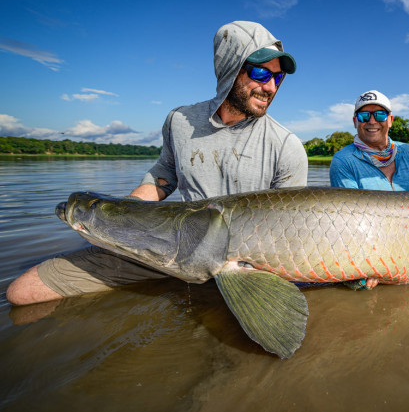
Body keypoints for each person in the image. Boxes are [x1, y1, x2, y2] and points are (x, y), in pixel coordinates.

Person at [7, 21, 308, 305]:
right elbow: (163, 177)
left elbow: (290, 233)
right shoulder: (180, 122)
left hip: (244, 265)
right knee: (22, 292)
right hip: (168, 247)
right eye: (260, 74)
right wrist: (122, 217)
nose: (270, 87)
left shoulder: (286, 146)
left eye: (277, 77)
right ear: (230, 69)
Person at [330, 90, 409, 192]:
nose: (372, 121)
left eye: (380, 115)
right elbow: (350, 207)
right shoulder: (343, 161)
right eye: (364, 116)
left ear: (390, 120)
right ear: (355, 122)